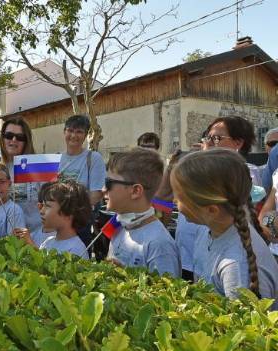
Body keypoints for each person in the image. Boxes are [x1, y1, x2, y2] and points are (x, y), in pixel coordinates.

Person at [172, 149, 278, 306]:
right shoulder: (208, 232)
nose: (174, 201)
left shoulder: (236, 266)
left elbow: (242, 329)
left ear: (211, 210)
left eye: (180, 197)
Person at [103, 149, 180, 276]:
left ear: (135, 191)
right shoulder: (120, 226)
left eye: (109, 183)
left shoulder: (159, 244)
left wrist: (126, 276)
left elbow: (167, 293)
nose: (103, 189)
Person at [16, 180, 90, 259]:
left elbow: (49, 268)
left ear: (68, 213)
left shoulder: (76, 249)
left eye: (47, 206)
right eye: (43, 205)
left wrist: (31, 245)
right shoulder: (48, 241)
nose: (41, 211)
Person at [0, 118, 42, 235]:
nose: (14, 140)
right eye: (9, 135)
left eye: (20, 137)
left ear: (26, 141)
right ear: (2, 138)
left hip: (34, 238)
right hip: (5, 237)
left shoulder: (38, 167)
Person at [58, 114, 106, 207]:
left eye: (79, 132)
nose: (73, 135)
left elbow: (97, 194)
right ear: (64, 132)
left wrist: (72, 210)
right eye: (70, 130)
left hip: (82, 216)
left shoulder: (94, 158)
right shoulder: (56, 159)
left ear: (85, 135)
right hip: (57, 215)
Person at [203, 116, 262, 188]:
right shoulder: (197, 167)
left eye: (216, 138)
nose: (208, 143)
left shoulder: (247, 174)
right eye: (208, 138)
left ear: (238, 143)